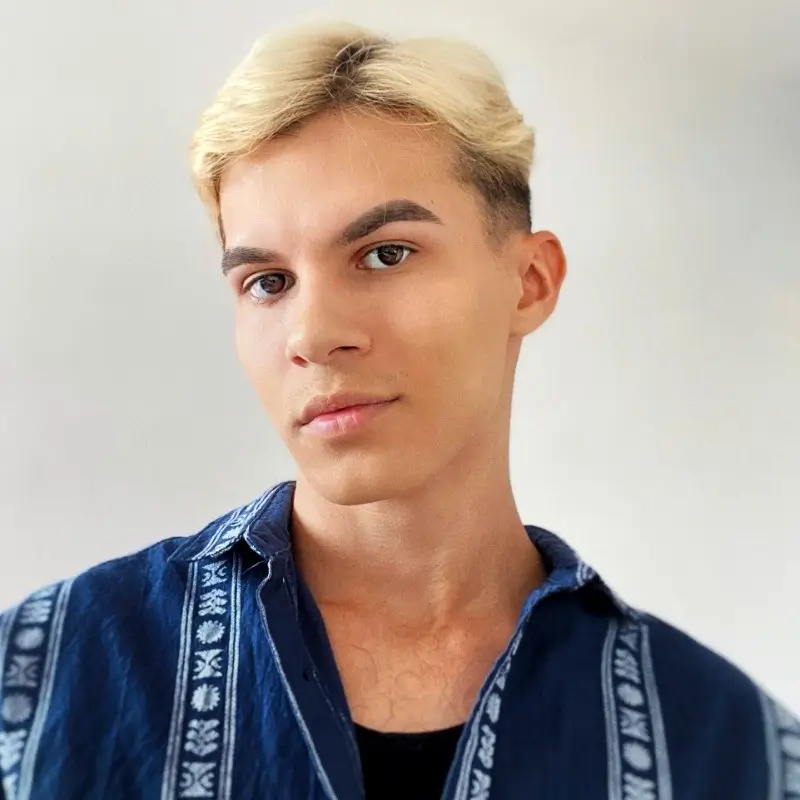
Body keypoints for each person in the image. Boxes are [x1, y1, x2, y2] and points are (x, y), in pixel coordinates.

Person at [0, 20, 797, 800]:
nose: (313, 335)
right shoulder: (40, 686)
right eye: (268, 282)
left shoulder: (725, 749)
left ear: (529, 283)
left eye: (385, 254)